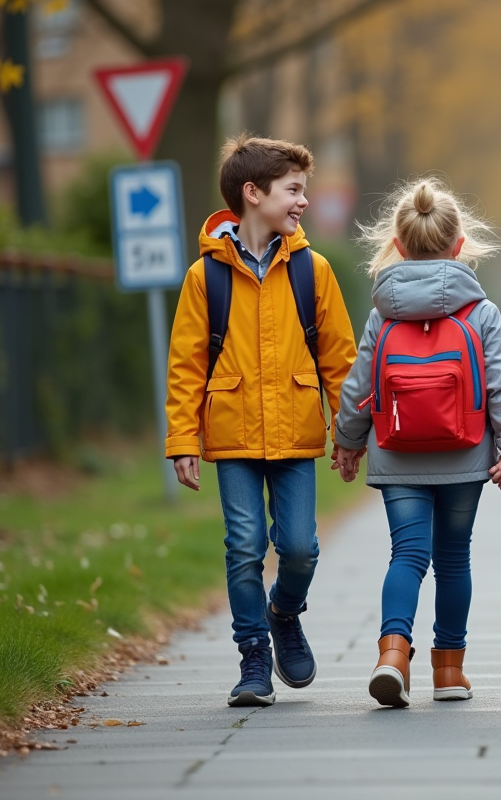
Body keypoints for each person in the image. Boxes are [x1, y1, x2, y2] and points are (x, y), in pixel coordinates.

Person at [165, 134, 357, 707]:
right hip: (233, 433)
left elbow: (340, 359)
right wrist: (182, 438)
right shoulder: (206, 277)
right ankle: (253, 658)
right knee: (244, 546)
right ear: (253, 193)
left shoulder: (312, 270)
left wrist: (348, 434)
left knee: (300, 548)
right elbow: (185, 364)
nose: (303, 201)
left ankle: (283, 613)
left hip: (296, 431)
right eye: (293, 190)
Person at [332, 177, 501, 708]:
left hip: (398, 451)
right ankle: (448, 671)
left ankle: (393, 654)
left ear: (397, 245)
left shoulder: (382, 313)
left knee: (407, 553)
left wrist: (348, 442)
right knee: (454, 558)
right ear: (459, 245)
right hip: (464, 454)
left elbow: (359, 385)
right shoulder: (480, 313)